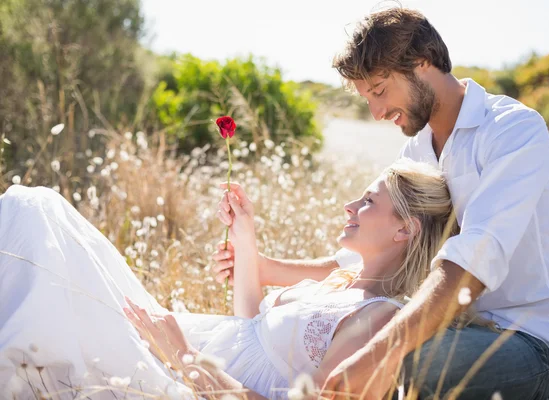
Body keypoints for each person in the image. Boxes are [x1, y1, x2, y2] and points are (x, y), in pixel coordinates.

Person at [213, 6, 549, 400]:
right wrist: (260, 266)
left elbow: (476, 257)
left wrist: (381, 352)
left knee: (383, 360)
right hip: (454, 327)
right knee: (331, 339)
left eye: (379, 90)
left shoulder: (512, 129)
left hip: (530, 342)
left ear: (422, 63)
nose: (376, 113)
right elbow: (374, 254)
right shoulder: (418, 148)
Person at [0, 158, 452, 399]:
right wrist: (245, 234)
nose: (349, 206)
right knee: (40, 212)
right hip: (173, 348)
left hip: (180, 375)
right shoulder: (343, 281)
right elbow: (250, 326)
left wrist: (184, 356)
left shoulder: (377, 321)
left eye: (368, 201)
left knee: (35, 221)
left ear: (404, 228)